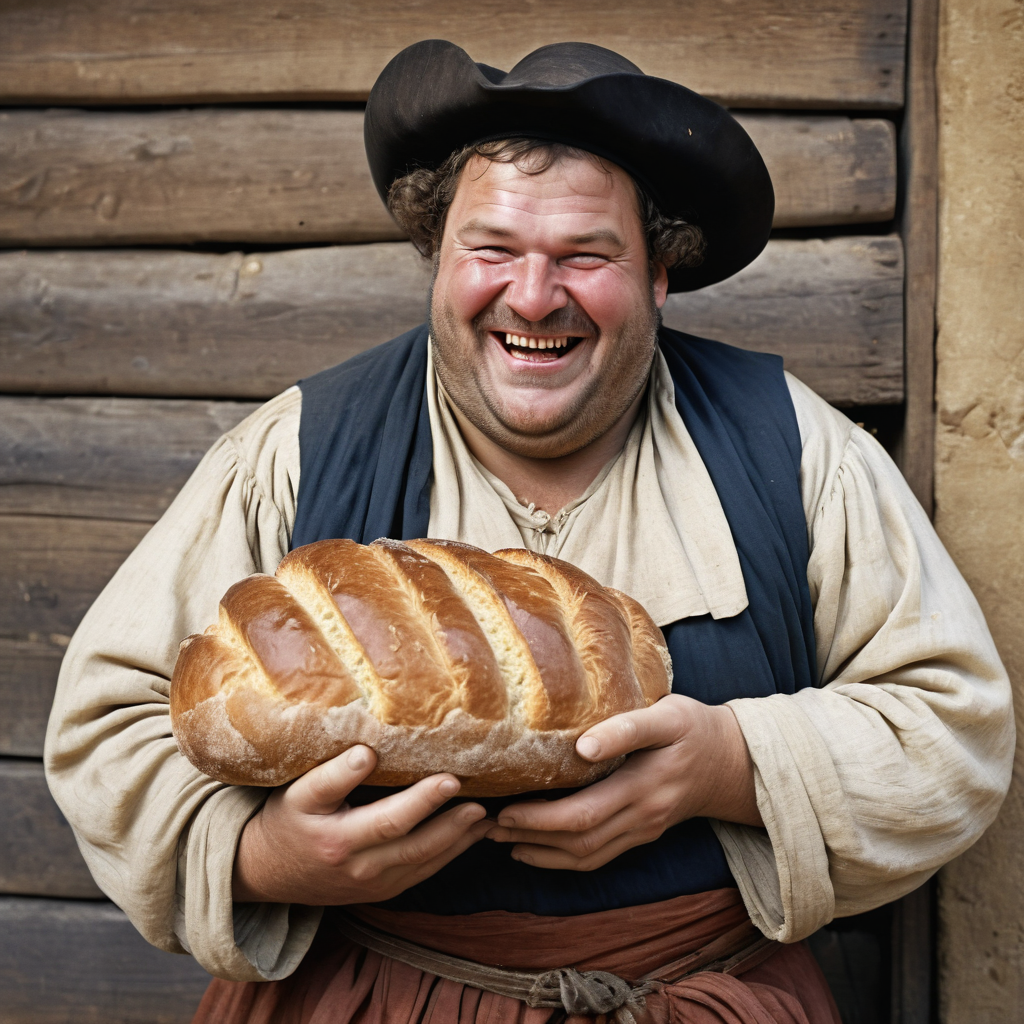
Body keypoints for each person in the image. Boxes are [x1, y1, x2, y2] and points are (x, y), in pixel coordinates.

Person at [46, 40, 1013, 1024]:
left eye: (585, 255)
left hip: (695, 994)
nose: (534, 295)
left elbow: (955, 732)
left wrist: (731, 763)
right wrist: (263, 857)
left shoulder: (796, 451)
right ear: (437, 254)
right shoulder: (291, 453)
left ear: (661, 273)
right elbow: (104, 733)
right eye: (492, 249)